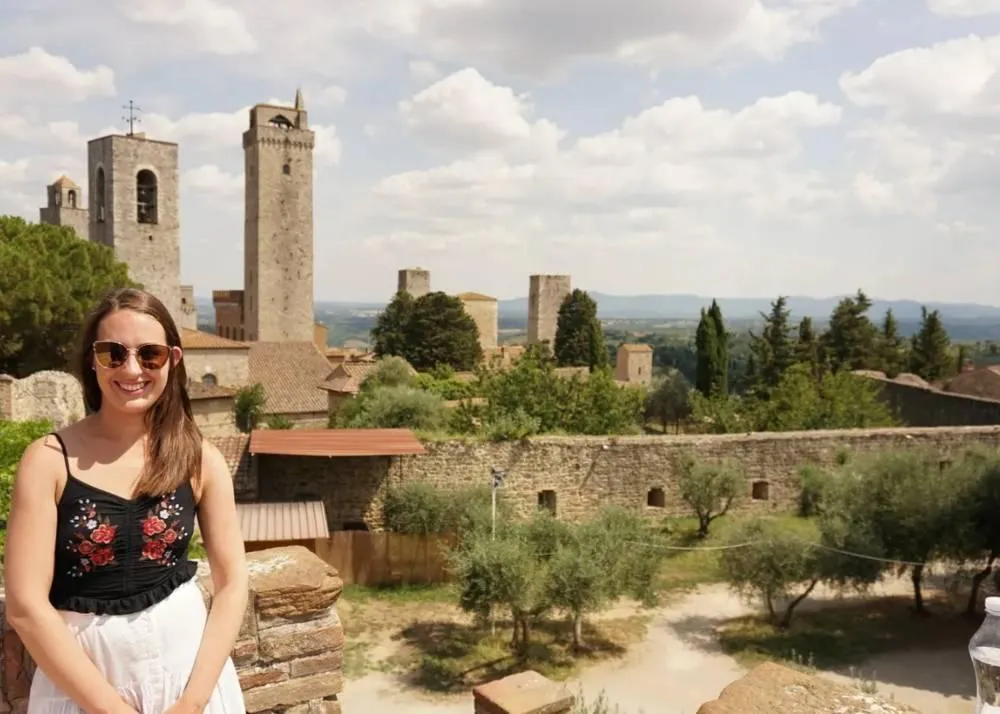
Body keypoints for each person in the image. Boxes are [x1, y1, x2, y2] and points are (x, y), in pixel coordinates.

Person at [4, 287, 249, 714]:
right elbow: (25, 606)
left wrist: (193, 701)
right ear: (92, 361)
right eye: (112, 353)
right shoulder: (48, 462)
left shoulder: (197, 457)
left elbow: (232, 584)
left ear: (172, 361)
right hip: (81, 690)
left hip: (189, 678)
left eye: (149, 355)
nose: (132, 368)